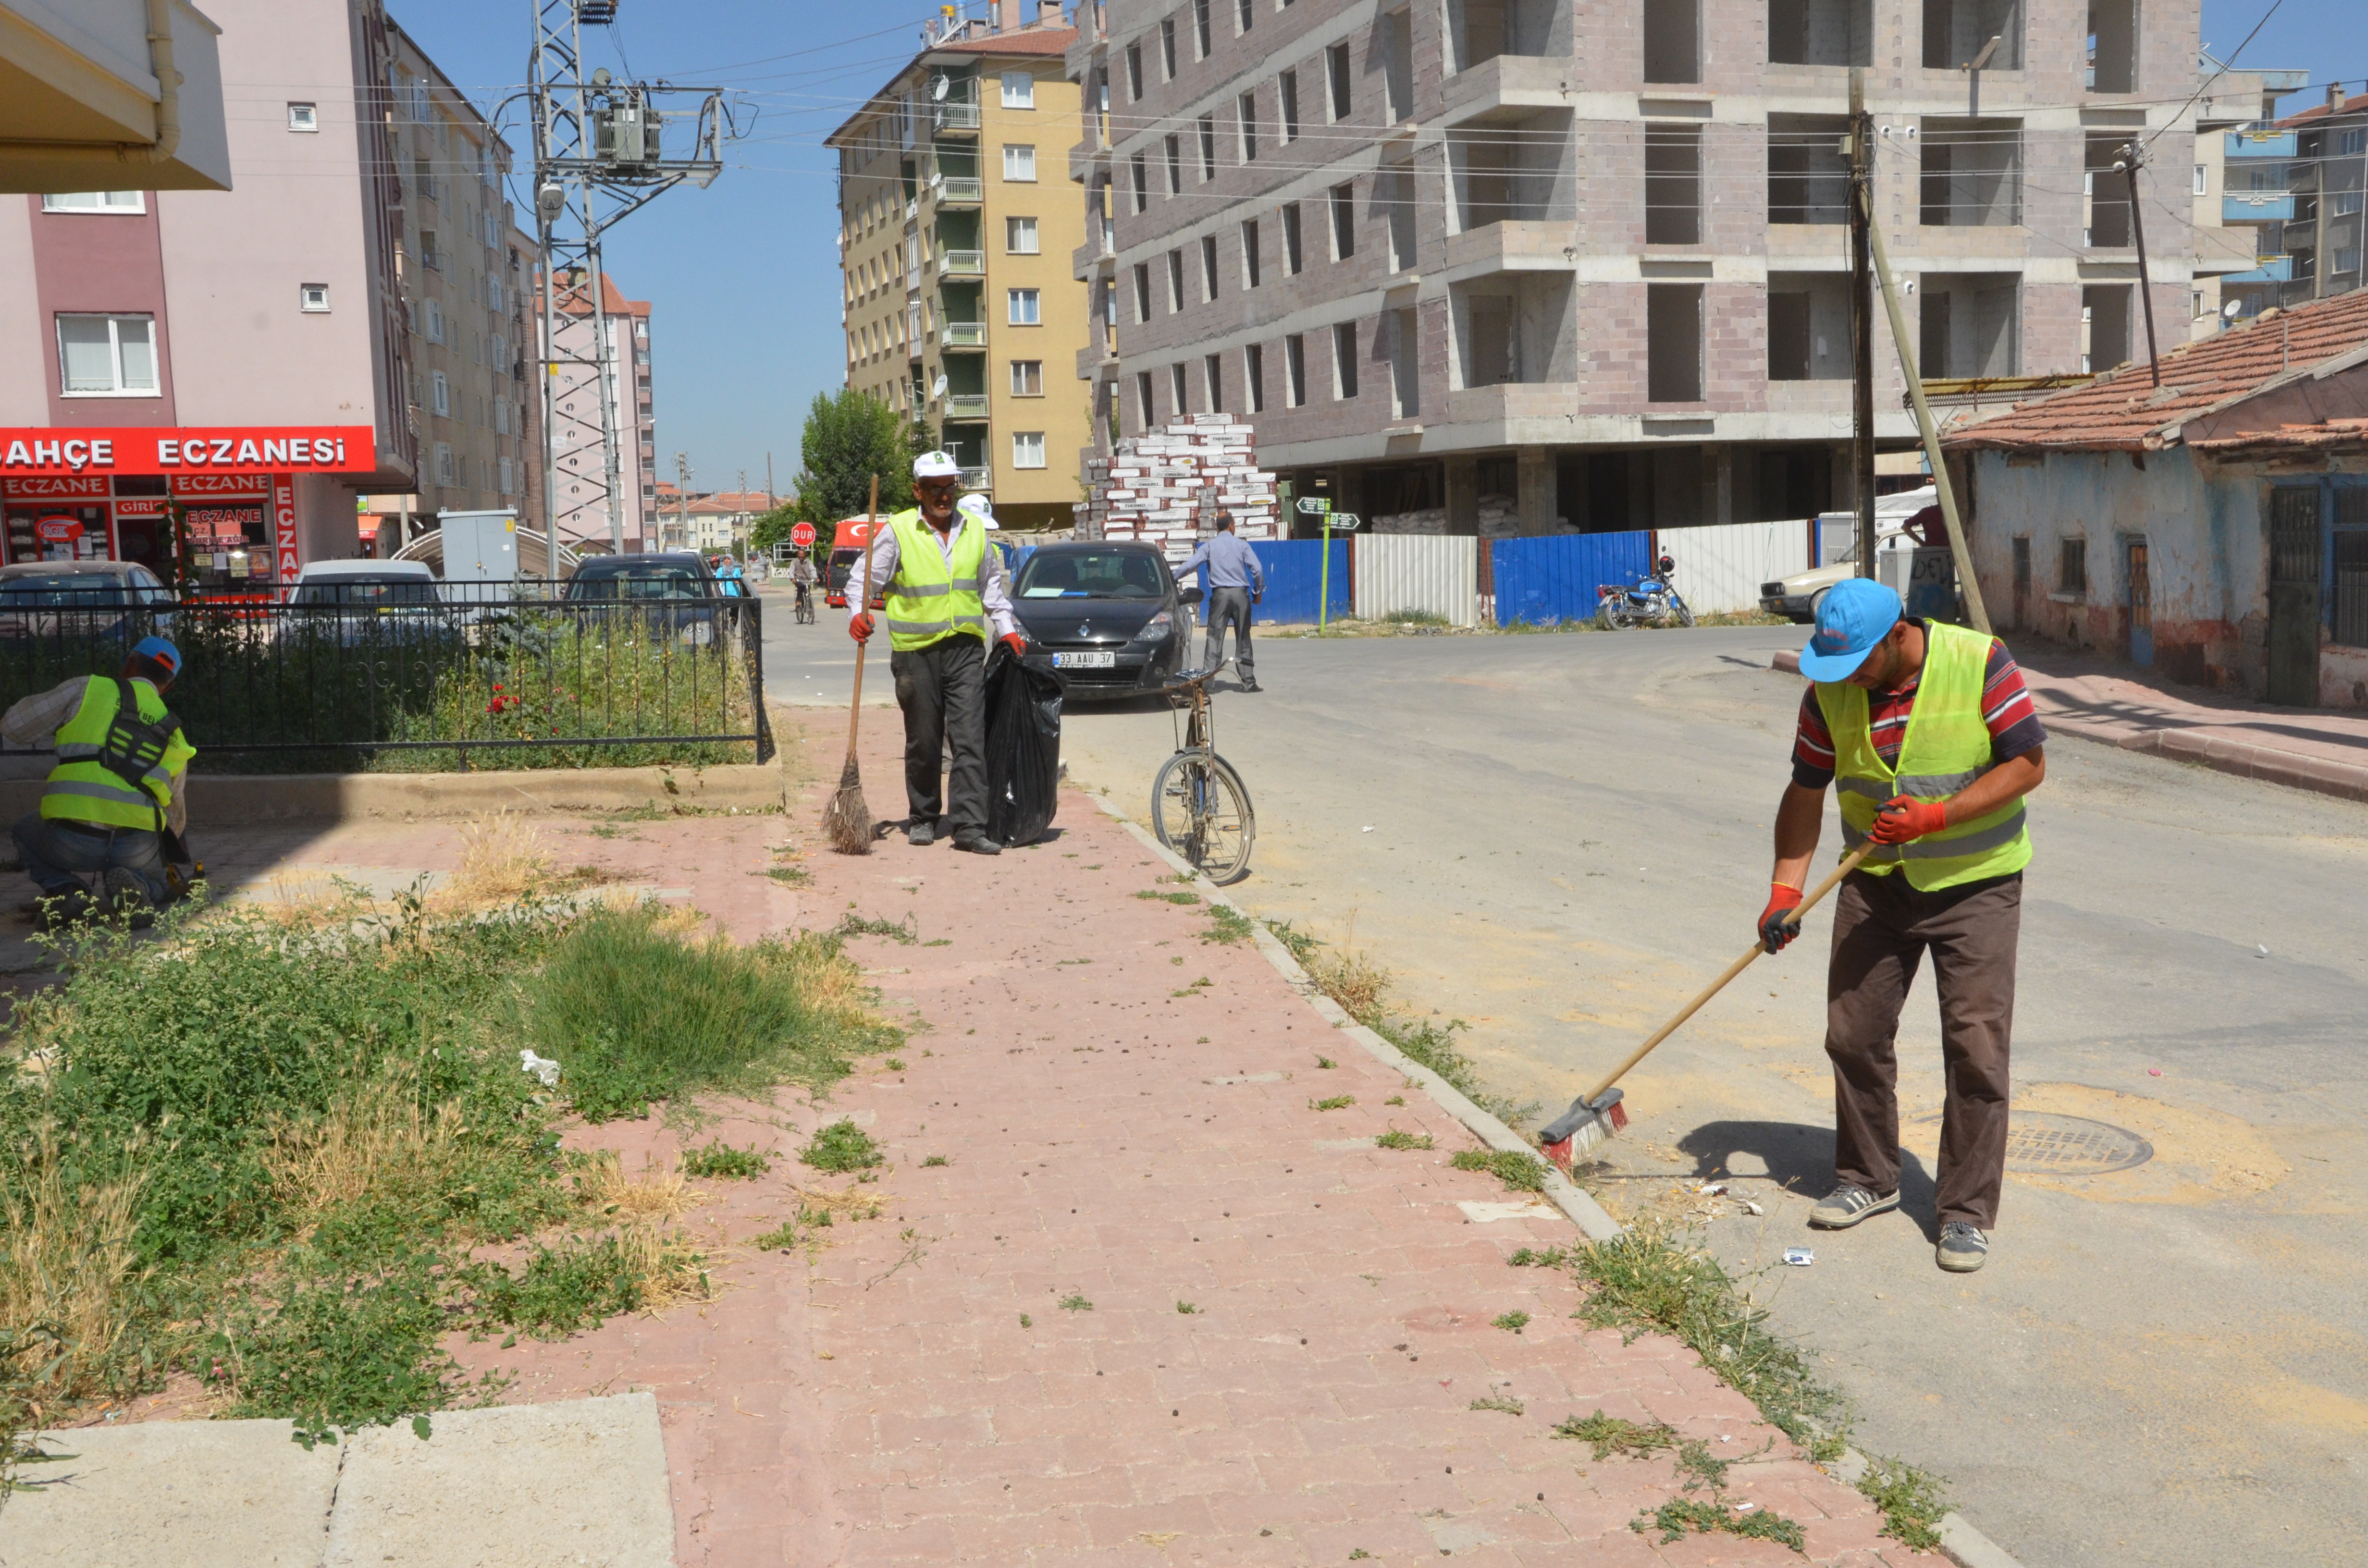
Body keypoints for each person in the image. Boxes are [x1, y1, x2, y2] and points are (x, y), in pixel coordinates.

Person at [1760, 580, 2046, 1274]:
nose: (1849, 677)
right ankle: (1868, 1178)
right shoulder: (1829, 690)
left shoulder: (1978, 660)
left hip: (1975, 886)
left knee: (1975, 1050)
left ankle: (1966, 1215)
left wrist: (1938, 816)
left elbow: (2029, 764)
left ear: (1897, 636)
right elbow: (1806, 791)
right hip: (1875, 885)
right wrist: (1784, 892)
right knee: (1852, 1034)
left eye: (1860, 660)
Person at [849, 453, 1028, 854]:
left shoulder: (977, 533)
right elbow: (863, 579)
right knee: (924, 740)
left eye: (950, 487)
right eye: (935, 489)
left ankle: (969, 826)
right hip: (916, 654)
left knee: (969, 739)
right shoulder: (898, 531)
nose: (944, 496)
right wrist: (857, 613)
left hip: (965, 649)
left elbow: (992, 591)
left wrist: (1008, 631)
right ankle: (924, 817)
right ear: (919, 491)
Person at [5, 635, 197, 926]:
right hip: (135, 848)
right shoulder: (175, 733)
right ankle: (142, 886)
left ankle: (66, 892)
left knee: (23, 829)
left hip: (70, 842)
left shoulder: (88, 688)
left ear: (129, 664)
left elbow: (14, 727)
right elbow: (175, 818)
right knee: (160, 882)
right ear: (168, 686)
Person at [1178, 512, 1265, 692]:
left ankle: (1208, 684)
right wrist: (1258, 592)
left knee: (1214, 639)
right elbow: (1257, 569)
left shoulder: (1210, 546)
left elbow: (1189, 566)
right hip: (1241, 595)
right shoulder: (1242, 545)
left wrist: (1170, 578)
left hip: (1220, 596)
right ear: (1232, 526)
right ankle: (1248, 682)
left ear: (1218, 527)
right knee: (1244, 639)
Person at [789, 549, 818, 619]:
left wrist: (815, 577)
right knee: (801, 587)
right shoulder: (794, 562)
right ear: (798, 555)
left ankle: (810, 611)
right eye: (800, 554)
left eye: (803, 554)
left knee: (808, 594)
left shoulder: (808, 562)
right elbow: (791, 571)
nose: (801, 556)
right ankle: (798, 602)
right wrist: (793, 578)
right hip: (798, 580)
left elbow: (813, 570)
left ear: (805, 555)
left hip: (807, 580)